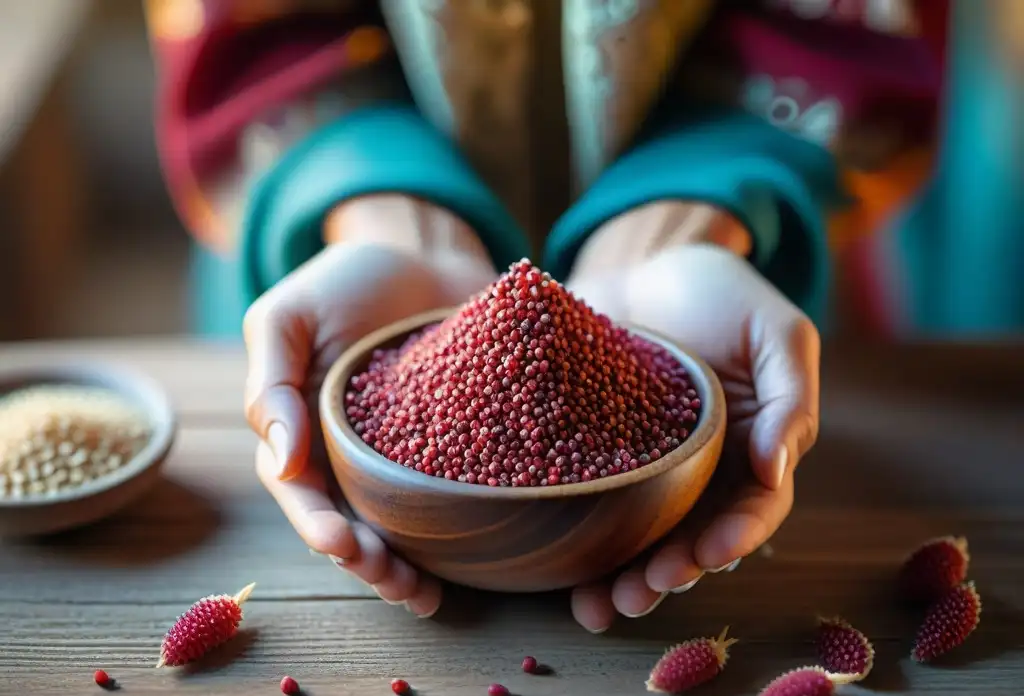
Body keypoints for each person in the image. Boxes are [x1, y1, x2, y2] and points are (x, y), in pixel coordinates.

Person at [145, 0, 952, 632]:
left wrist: (690, 214)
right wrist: (381, 209)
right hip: (336, 224)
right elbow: (249, 32)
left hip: (741, 225)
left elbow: (852, 26)